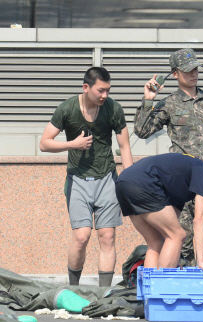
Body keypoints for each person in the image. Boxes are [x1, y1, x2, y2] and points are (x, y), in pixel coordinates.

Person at [134, 48, 203, 268]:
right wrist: (148, 100)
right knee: (182, 244)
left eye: (196, 69)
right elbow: (142, 131)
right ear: (175, 74)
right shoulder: (169, 103)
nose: (193, 74)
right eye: (188, 70)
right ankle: (183, 296)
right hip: (178, 188)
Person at [39, 67, 133, 287]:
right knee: (81, 237)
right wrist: (73, 144)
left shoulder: (113, 109)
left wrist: (129, 182)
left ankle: (104, 294)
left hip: (107, 178)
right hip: (78, 179)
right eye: (101, 90)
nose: (105, 95)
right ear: (86, 87)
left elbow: (125, 146)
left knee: (107, 237)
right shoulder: (67, 108)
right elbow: (44, 143)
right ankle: (73, 288)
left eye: (108, 90)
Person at [115, 153, 203, 280]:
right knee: (178, 235)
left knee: (155, 242)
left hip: (124, 183)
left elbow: (166, 231)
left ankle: (149, 295)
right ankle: (161, 291)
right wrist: (202, 261)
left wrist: (171, 257)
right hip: (142, 182)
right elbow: (199, 219)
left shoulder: (183, 189)